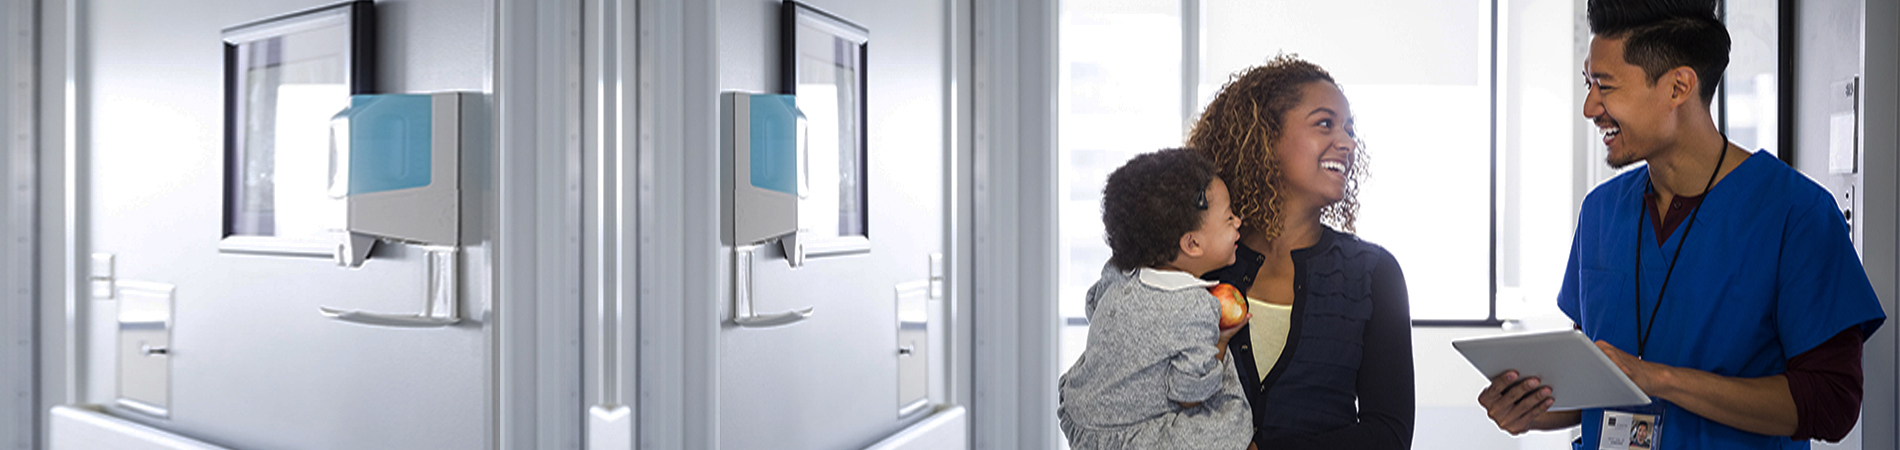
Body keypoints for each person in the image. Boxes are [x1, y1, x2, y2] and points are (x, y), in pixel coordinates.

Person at [1476, 0, 1887, 448]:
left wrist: (1660, 379)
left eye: (1605, 86)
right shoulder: (1600, 212)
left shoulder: (1797, 215)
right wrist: (1530, 408)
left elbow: (1831, 403)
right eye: (1588, 84)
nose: (1590, 107)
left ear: (1678, 87)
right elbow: (1598, 383)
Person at [1188, 55, 1415, 449]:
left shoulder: (1375, 273)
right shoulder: (1197, 263)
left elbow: (1388, 435)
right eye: (1325, 123)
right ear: (1265, 137)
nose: (1346, 142)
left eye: (1349, 129)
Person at [1057, 148, 1257, 450]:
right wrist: (1220, 340)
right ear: (1192, 243)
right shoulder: (1196, 307)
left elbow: (1093, 304)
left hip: (1081, 415)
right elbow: (1190, 396)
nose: (1239, 222)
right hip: (1128, 437)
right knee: (1231, 424)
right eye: (1229, 218)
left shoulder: (1121, 272)